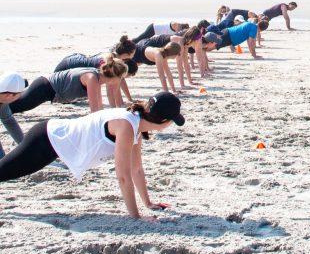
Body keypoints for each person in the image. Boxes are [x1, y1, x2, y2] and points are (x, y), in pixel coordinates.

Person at [0, 91, 184, 221]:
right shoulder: (128, 126)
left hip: (53, 142)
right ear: (164, 122)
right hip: (47, 139)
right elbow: (123, 177)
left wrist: (148, 203)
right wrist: (136, 216)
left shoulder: (136, 125)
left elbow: (136, 169)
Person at [5, 61, 130, 139]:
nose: (121, 81)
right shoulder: (92, 78)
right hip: (45, 87)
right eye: (122, 78)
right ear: (116, 77)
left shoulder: (97, 78)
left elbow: (99, 109)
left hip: (47, 89)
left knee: (10, 107)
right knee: (11, 107)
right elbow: (95, 111)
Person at [0, 72, 28, 158]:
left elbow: (8, 121)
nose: (20, 95)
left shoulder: (2, 100)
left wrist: (24, 147)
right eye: (20, 93)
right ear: (9, 95)